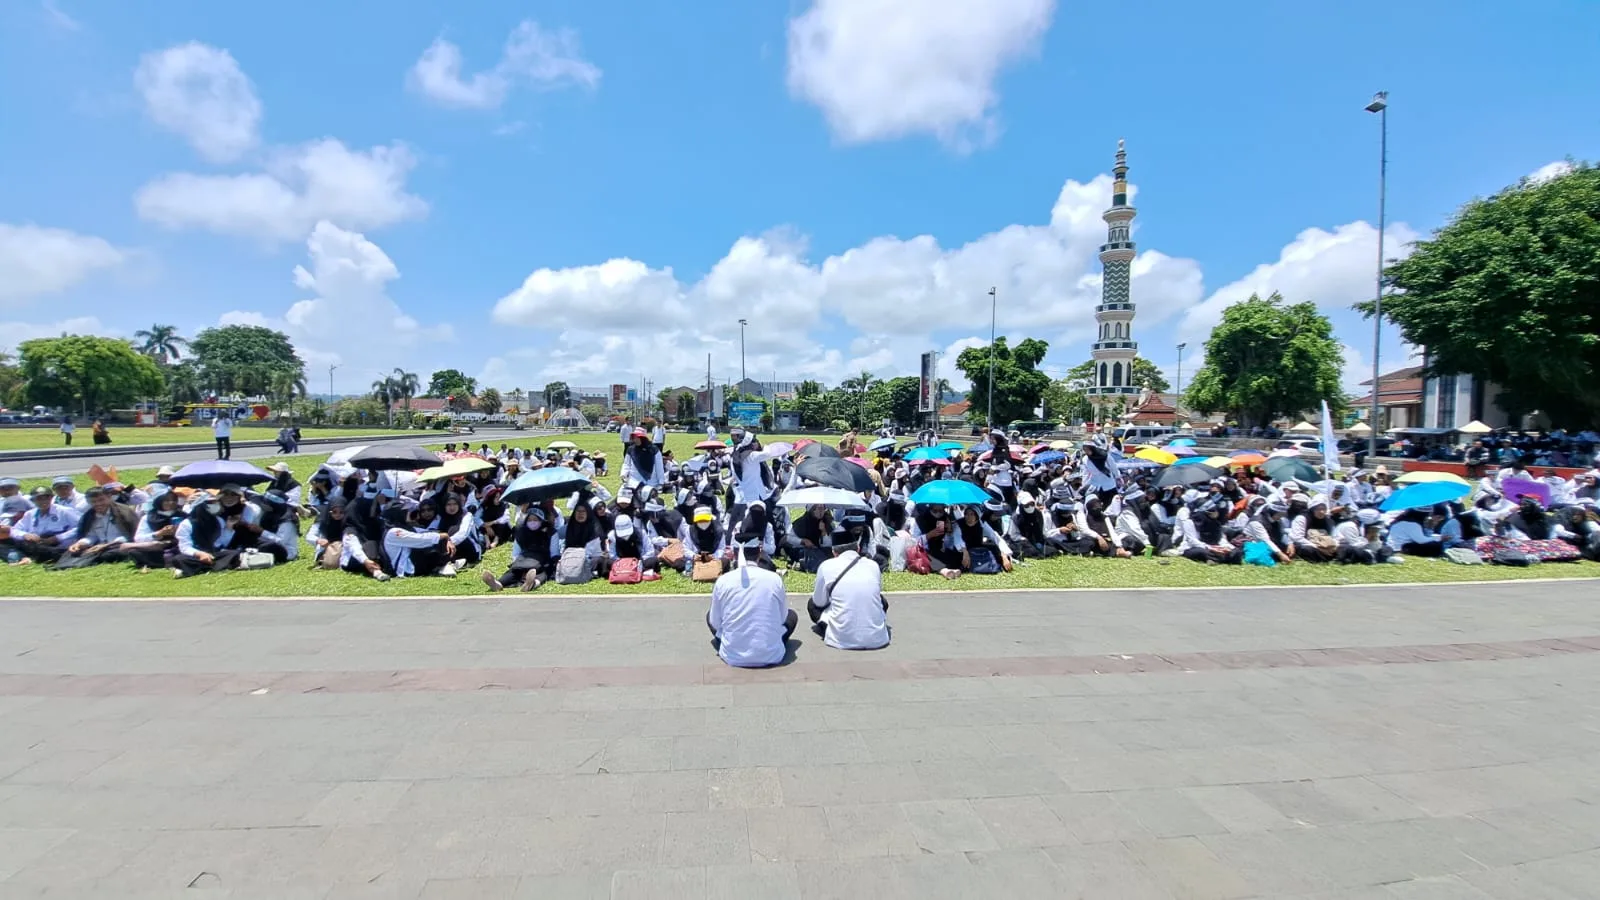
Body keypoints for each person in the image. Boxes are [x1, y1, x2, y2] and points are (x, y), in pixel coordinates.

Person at [707, 533, 797, 667]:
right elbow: (783, 618)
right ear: (760, 553)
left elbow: (715, 622)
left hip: (732, 656)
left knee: (709, 615)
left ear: (735, 554)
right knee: (792, 616)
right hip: (772, 655)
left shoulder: (723, 581)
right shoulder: (774, 579)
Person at [808, 524, 889, 650]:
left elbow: (818, 602)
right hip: (878, 640)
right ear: (857, 548)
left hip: (840, 640)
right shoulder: (873, 565)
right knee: (881, 600)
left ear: (834, 552)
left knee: (811, 604)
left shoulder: (826, 566)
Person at [54, 486, 139, 569]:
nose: (98, 504)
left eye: (101, 500)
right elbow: (91, 536)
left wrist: (105, 546)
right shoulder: (89, 516)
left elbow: (128, 536)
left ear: (109, 497)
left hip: (118, 546)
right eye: (94, 502)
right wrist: (80, 544)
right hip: (97, 547)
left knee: (110, 555)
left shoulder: (123, 512)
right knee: (72, 551)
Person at [8, 486, 82, 565]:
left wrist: (58, 538)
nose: (43, 501)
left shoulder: (64, 511)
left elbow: (81, 527)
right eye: (39, 499)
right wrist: (25, 535)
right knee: (14, 542)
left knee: (46, 551)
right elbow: (14, 530)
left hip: (60, 545)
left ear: (51, 498)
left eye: (46, 498)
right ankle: (28, 558)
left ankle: (28, 558)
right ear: (33, 500)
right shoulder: (30, 514)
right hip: (38, 543)